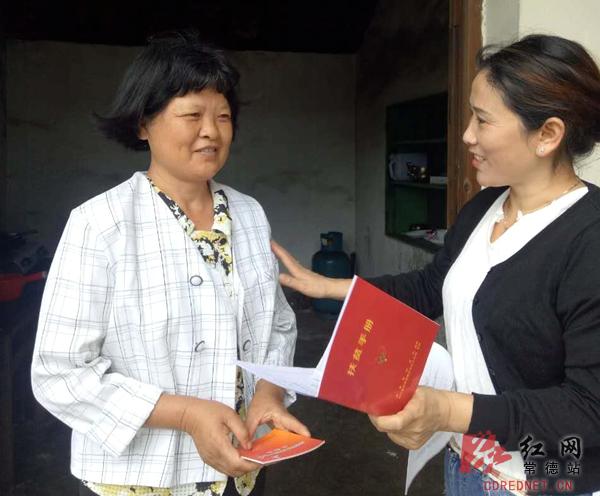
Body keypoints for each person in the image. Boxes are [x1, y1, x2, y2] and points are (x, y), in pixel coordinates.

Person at [272, 34, 600, 495]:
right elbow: (432, 285)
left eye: (482, 119)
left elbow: (588, 408)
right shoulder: (485, 206)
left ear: (547, 134)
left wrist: (446, 410)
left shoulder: (588, 238)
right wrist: (334, 287)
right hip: (466, 464)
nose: (466, 134)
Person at [31, 31, 308, 496]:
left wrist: (269, 392)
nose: (212, 131)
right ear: (143, 123)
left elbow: (277, 325)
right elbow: (59, 372)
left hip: (241, 470)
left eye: (223, 116)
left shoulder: (249, 214)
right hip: (139, 481)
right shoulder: (100, 223)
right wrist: (186, 414)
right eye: (192, 115)